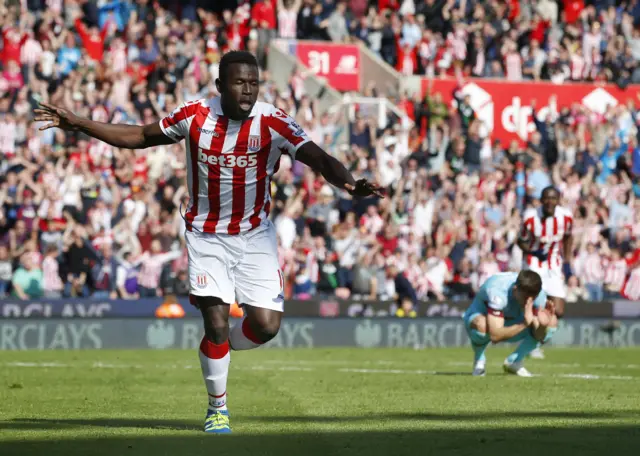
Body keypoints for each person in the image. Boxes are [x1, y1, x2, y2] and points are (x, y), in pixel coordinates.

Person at [34, 50, 383, 434]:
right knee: (215, 321)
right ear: (220, 86)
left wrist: (349, 184)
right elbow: (139, 135)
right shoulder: (195, 115)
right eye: (239, 82)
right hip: (206, 235)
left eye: (253, 82)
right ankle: (218, 408)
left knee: (265, 327)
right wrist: (80, 124)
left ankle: (220, 349)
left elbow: (319, 158)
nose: (247, 90)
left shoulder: (272, 121)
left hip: (255, 236)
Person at [462, 271, 557, 377]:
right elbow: (495, 336)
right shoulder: (497, 290)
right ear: (515, 289)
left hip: (513, 321)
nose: (528, 302)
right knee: (481, 325)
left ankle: (514, 361)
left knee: (552, 322)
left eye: (532, 299)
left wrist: (543, 326)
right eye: (525, 298)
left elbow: (539, 336)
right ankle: (479, 360)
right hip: (482, 318)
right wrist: (524, 324)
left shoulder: (539, 296)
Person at [517, 186, 573, 359]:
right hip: (534, 264)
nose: (550, 202)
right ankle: (531, 344)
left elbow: (568, 236)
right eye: (546, 198)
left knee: (560, 310)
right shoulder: (530, 217)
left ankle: (534, 339)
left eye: (553, 198)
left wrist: (568, 262)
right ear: (541, 200)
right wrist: (533, 252)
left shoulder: (566, 217)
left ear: (558, 200)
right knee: (535, 304)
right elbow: (520, 240)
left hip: (553, 265)